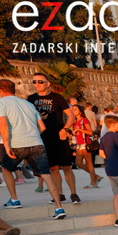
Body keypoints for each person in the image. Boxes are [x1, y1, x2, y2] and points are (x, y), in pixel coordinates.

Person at [0, 78, 64, 216]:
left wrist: (6, 144)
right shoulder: (28, 104)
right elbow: (42, 127)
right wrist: (33, 136)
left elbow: (3, 124)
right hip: (36, 142)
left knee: (6, 168)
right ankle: (59, 207)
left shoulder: (0, 102)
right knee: (46, 175)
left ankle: (14, 199)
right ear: (14, 90)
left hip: (16, 143)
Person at [27, 71, 79, 206]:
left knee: (66, 166)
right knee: (53, 168)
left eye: (40, 81)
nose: (37, 84)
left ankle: (73, 193)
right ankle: (60, 194)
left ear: (48, 83)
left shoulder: (57, 97)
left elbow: (71, 115)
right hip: (42, 137)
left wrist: (65, 129)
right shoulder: (31, 99)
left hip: (59, 136)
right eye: (34, 81)